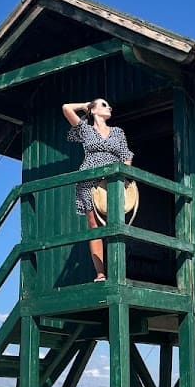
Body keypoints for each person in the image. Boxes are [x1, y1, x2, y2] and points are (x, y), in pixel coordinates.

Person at [62, 98, 134, 280]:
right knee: (94, 225)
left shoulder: (118, 132)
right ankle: (100, 273)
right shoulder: (86, 130)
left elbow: (126, 156)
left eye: (109, 105)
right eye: (103, 104)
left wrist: (125, 176)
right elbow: (66, 108)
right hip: (89, 180)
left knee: (116, 221)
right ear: (93, 110)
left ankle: (119, 270)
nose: (109, 107)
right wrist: (84, 106)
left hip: (113, 180)